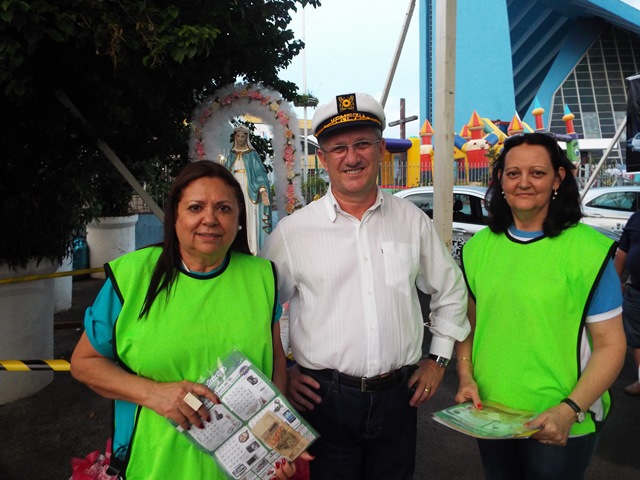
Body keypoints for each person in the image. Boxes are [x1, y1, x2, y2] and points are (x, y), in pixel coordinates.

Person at [259, 92, 470, 480]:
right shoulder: (293, 232)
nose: (351, 157)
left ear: (381, 150)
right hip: (324, 400)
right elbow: (261, 308)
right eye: (338, 148)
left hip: (398, 398)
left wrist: (438, 359)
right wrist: (283, 371)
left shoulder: (412, 221)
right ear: (323, 158)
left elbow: (451, 290)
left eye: (362, 144)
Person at [71, 161, 301, 479]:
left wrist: (275, 449)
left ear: (239, 219)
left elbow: (275, 365)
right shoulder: (131, 276)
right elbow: (84, 363)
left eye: (223, 208)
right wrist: (155, 394)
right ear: (175, 216)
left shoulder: (262, 277)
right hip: (154, 465)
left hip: (243, 468)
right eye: (195, 207)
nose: (210, 219)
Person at [455, 132, 626, 480]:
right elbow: (469, 328)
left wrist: (570, 409)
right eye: (513, 173)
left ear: (557, 179)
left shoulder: (588, 251)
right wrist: (465, 376)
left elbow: (611, 345)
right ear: (500, 179)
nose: (524, 183)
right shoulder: (477, 249)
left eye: (537, 173)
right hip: (490, 413)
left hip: (560, 419)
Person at [225, 125, 272, 254]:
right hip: (234, 190)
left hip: (250, 189)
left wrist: (262, 189)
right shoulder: (232, 155)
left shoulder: (252, 154)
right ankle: (235, 247)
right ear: (235, 137)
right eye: (238, 136)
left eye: (243, 136)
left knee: (249, 215)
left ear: (246, 138)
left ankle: (252, 247)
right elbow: (226, 173)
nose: (241, 139)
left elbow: (260, 173)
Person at [614, 210, 640, 395]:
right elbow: (622, 252)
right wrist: (615, 282)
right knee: (637, 339)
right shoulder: (636, 219)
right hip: (636, 291)